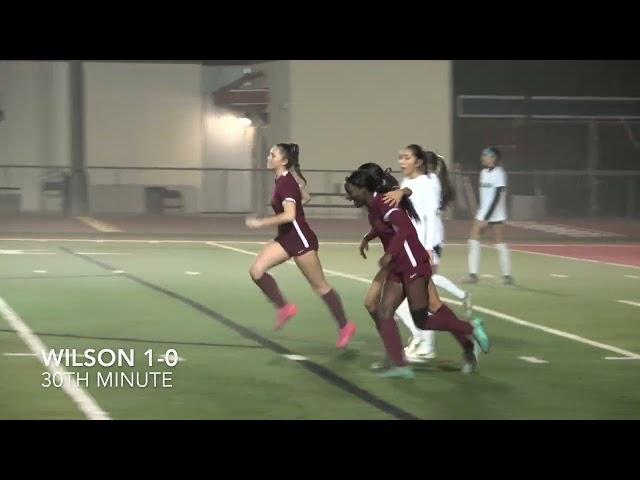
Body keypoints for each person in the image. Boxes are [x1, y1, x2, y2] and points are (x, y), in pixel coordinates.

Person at [345, 166, 490, 378]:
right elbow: (383, 225)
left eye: (350, 191)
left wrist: (389, 254)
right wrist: (368, 237)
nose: (347, 196)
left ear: (364, 188)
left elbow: (404, 228)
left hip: (412, 262)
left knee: (422, 318)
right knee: (384, 312)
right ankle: (399, 365)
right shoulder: (375, 205)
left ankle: (470, 329)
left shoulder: (385, 202)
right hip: (398, 264)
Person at [245, 143, 357, 348]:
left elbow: (290, 215)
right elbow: (306, 197)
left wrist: (261, 222)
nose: (268, 157)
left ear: (284, 161)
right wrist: (299, 190)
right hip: (286, 238)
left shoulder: (285, 183)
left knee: (320, 286)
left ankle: (345, 326)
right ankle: (285, 308)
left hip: (301, 240)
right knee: (256, 271)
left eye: (273, 154)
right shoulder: (284, 180)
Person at [381, 145, 473, 363]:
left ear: (419, 162)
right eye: (400, 157)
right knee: (431, 304)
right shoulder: (406, 183)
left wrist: (429, 249)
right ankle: (466, 339)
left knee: (409, 304)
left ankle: (424, 343)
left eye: (407, 158)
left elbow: (431, 217)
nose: (402, 162)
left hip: (421, 251)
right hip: (408, 252)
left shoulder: (426, 183)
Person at [462, 146, 514, 285]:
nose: (483, 157)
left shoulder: (499, 173)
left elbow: (497, 197)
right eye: (483, 154)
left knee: (499, 243)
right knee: (473, 240)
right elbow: (484, 196)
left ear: (494, 158)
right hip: (483, 213)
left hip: (497, 215)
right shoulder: (483, 172)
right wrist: (481, 213)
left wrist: (487, 218)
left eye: (486, 155)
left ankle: (507, 275)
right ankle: (473, 275)